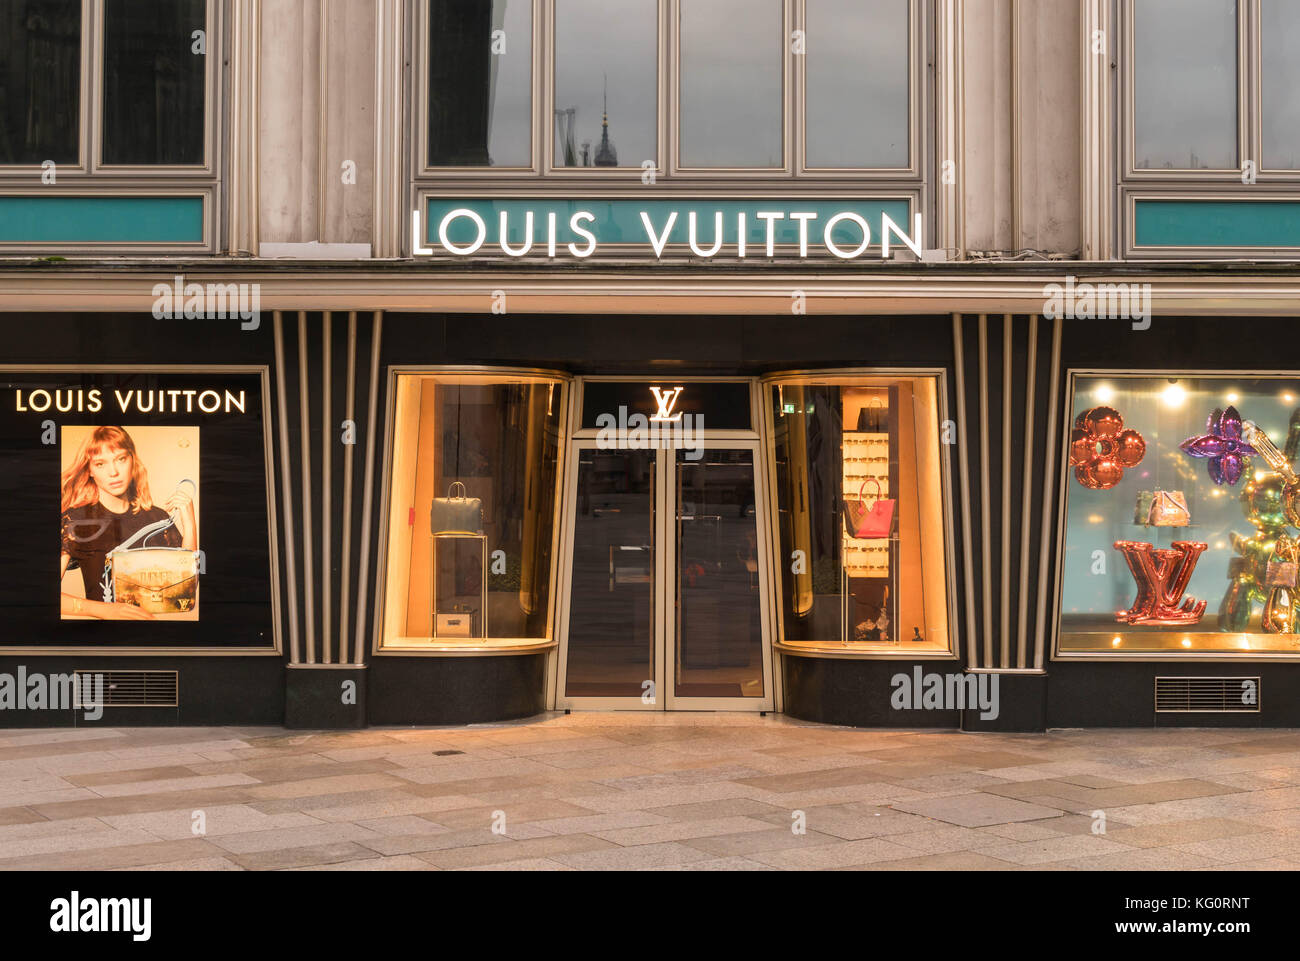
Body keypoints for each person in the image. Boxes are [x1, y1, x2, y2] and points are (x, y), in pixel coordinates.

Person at [59, 427, 196, 620]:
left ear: (133, 460)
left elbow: (185, 589)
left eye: (121, 459)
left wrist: (190, 524)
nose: (113, 472)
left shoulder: (156, 518)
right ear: (89, 470)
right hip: (103, 642)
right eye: (100, 464)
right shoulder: (75, 521)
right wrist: (105, 610)